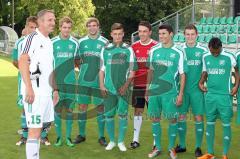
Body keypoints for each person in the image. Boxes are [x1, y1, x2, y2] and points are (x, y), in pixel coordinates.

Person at [18, 9, 58, 159]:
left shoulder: (49, 41)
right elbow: (23, 61)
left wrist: (55, 89)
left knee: (39, 129)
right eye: (49, 20)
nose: (53, 23)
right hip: (34, 93)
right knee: (34, 131)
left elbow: (50, 68)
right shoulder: (32, 38)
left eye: (54, 20)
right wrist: (29, 88)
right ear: (40, 22)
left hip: (46, 93)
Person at [146, 24, 187, 159]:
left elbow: (182, 74)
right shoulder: (153, 50)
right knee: (155, 119)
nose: (161, 36)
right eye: (160, 34)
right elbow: (150, 71)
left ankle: (171, 148)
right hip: (155, 91)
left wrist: (180, 94)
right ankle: (157, 147)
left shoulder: (179, 52)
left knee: (172, 119)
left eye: (164, 33)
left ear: (171, 34)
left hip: (170, 93)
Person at [198, 37, 239, 159]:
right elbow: (205, 73)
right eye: (212, 52)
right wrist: (201, 83)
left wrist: (236, 86)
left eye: (217, 51)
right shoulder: (205, 56)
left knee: (226, 124)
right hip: (210, 96)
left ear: (221, 47)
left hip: (224, 96)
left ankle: (224, 154)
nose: (215, 54)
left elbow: (237, 72)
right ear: (209, 48)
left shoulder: (229, 56)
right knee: (210, 123)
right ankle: (210, 153)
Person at [99, 23, 137, 152]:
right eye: (115, 34)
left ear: (123, 34)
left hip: (124, 89)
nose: (117, 36)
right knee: (109, 116)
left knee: (122, 115)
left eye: (119, 34)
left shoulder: (128, 49)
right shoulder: (105, 49)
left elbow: (132, 71)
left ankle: (120, 141)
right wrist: (102, 85)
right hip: (109, 89)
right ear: (111, 34)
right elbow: (101, 70)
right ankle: (112, 141)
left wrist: (126, 86)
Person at [74, 17, 109, 146]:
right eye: (89, 25)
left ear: (98, 27)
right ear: (87, 27)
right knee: (82, 107)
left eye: (94, 25)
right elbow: (76, 60)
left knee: (100, 108)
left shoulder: (105, 42)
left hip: (99, 82)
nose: (92, 28)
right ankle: (81, 135)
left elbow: (107, 62)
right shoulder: (81, 42)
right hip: (83, 81)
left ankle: (101, 136)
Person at [175, 24, 207, 157]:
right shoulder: (179, 50)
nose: (190, 37)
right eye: (187, 34)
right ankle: (182, 145)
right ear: (184, 35)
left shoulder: (203, 50)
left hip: (196, 91)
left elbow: (206, 70)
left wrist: (202, 83)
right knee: (181, 117)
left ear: (197, 35)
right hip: (182, 90)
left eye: (192, 34)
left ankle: (198, 147)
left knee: (198, 117)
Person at [130, 21, 158, 149]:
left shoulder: (156, 46)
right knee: (138, 111)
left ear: (150, 32)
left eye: (144, 31)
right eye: (140, 31)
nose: (142, 34)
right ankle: (135, 140)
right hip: (138, 84)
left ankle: (155, 142)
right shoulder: (134, 46)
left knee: (153, 113)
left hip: (152, 85)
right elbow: (132, 67)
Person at [52, 16, 79, 147]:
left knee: (69, 110)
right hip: (56, 83)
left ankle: (68, 137)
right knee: (57, 110)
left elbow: (78, 61)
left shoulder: (75, 43)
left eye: (69, 28)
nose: (66, 30)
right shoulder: (52, 42)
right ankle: (58, 137)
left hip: (71, 82)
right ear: (60, 27)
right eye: (64, 27)